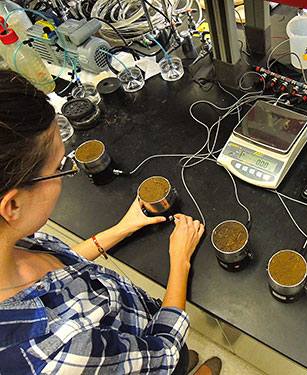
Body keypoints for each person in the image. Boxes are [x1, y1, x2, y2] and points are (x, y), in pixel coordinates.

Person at [0, 70, 222, 375]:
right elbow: (165, 352)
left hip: (137, 329)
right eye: (60, 167)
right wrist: (180, 260)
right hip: (151, 355)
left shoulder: (9, 239)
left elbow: (65, 270)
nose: (70, 173)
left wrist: (123, 227)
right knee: (177, 363)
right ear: (12, 204)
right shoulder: (57, 350)